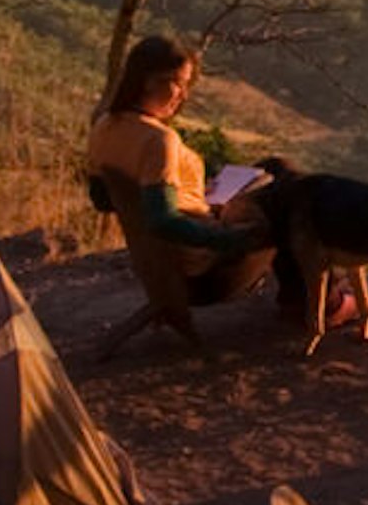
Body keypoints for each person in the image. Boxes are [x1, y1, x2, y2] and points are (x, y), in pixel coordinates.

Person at [82, 34, 274, 359]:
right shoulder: (159, 140)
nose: (181, 94)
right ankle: (325, 303)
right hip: (205, 275)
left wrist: (188, 195)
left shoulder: (104, 126)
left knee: (271, 168)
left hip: (157, 267)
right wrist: (230, 239)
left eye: (185, 85)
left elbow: (105, 198)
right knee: (285, 188)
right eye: (174, 83)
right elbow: (162, 219)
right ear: (144, 81)